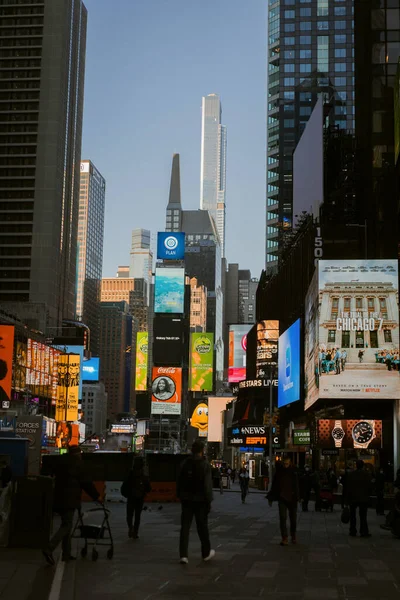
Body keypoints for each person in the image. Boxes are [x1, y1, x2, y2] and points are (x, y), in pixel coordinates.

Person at [43, 446, 100, 565]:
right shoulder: (78, 464)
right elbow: (86, 483)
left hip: (58, 498)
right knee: (67, 526)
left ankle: (66, 553)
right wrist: (96, 496)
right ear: (78, 454)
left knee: (66, 525)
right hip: (70, 499)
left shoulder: (61, 462)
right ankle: (49, 547)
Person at [177, 441, 214, 564]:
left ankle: (183, 555)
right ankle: (206, 553)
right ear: (202, 450)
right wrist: (209, 501)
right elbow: (207, 486)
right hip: (200, 500)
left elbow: (179, 481)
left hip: (187, 500)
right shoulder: (205, 465)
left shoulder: (185, 463)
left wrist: (180, 496)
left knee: (185, 528)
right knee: (202, 527)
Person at [267, 456, 300, 546]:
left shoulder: (294, 472)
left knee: (293, 519)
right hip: (282, 498)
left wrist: (299, 496)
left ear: (290, 463)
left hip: (292, 498)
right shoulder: (279, 472)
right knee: (282, 518)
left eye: (287, 464)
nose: (285, 465)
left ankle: (293, 535)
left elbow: (298, 485)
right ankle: (284, 537)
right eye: (284, 464)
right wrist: (270, 498)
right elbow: (274, 485)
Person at [123, 457, 152, 539]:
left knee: (129, 515)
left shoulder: (130, 474)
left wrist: (126, 494)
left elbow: (125, 485)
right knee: (137, 516)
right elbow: (149, 488)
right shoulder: (143, 475)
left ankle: (130, 527)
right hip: (140, 498)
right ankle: (135, 532)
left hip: (131, 497)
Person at [345, 459, 371, 538]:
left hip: (353, 497)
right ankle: (363, 531)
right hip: (363, 498)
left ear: (356, 465)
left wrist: (347, 498)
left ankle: (352, 531)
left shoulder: (351, 474)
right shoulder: (366, 474)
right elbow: (369, 486)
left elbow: (348, 487)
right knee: (363, 516)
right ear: (363, 466)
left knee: (353, 515)